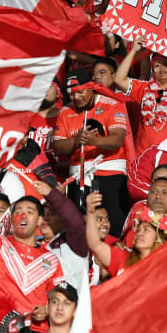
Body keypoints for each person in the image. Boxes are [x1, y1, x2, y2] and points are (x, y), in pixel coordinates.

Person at [0, 196, 63, 332]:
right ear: (11, 220)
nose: (23, 216)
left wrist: (46, 310)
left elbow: (58, 299)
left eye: (29, 212)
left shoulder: (51, 259)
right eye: (17, 212)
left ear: (40, 220)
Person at [52, 68, 129, 236]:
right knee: (79, 224)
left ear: (91, 87)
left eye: (80, 92)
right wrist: (75, 140)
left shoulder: (112, 104)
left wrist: (94, 141)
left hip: (109, 172)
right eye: (71, 94)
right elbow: (58, 148)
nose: (76, 98)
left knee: (113, 221)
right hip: (78, 175)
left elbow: (117, 139)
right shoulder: (65, 112)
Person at [114, 38, 167, 152]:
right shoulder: (144, 88)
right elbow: (119, 79)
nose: (162, 68)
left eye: (166, 64)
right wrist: (133, 51)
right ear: (152, 69)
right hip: (144, 153)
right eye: (157, 65)